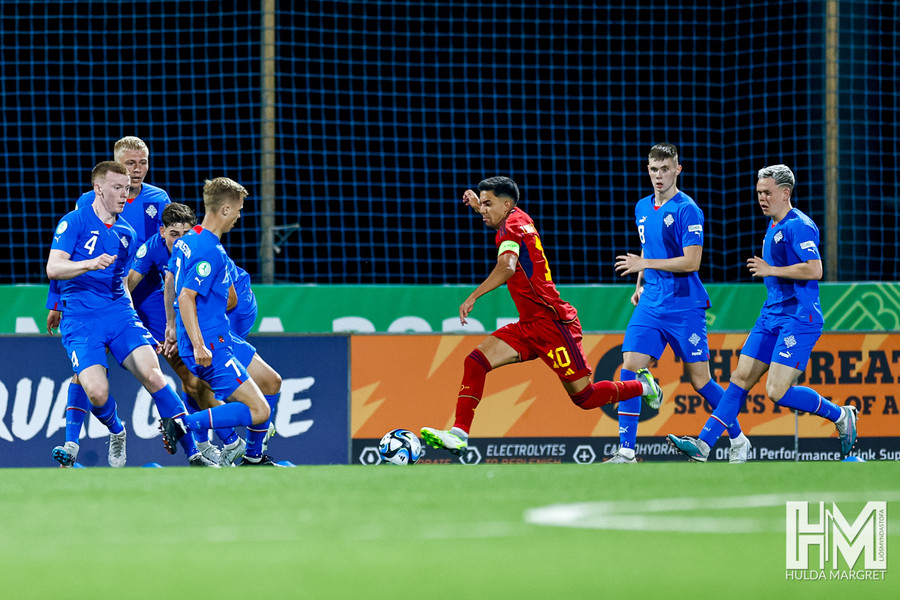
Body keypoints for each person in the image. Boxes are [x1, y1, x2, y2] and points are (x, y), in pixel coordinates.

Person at [420, 176, 662, 457]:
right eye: (482, 204)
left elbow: (507, 266)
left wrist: (474, 295)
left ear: (506, 205)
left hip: (553, 324)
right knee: (475, 361)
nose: (483, 210)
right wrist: (478, 204)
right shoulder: (517, 216)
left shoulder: (511, 226)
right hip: (529, 325)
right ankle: (459, 434)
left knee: (585, 397)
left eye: (488, 204)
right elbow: (500, 218)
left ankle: (644, 386)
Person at [667, 164, 859, 461]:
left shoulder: (798, 225)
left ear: (786, 193)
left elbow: (815, 269)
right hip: (771, 315)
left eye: (768, 192)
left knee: (776, 391)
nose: (762, 198)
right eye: (759, 192)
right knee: (740, 378)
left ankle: (841, 415)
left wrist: (772, 270)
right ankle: (703, 445)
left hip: (799, 318)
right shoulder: (773, 225)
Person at [46, 161, 206, 468]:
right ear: (98, 188)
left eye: (128, 188)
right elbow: (54, 268)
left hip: (119, 313)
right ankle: (117, 430)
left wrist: (134, 319)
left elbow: (122, 282)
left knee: (155, 376)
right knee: (96, 392)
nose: (125, 194)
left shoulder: (127, 234)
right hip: (81, 316)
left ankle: (196, 454)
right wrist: (87, 265)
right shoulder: (74, 221)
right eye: (118, 188)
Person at [610, 143, 750, 463]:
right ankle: (627, 451)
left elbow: (691, 262)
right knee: (629, 367)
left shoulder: (688, 209)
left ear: (677, 170)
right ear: (648, 170)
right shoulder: (642, 207)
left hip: (684, 306)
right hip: (651, 302)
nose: (658, 175)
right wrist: (640, 284)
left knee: (701, 381)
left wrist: (645, 265)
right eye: (653, 169)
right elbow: (647, 249)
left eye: (665, 169)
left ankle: (739, 439)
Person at [159, 177, 284, 466]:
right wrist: (198, 344)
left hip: (220, 337)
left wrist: (173, 326)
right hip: (210, 345)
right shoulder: (210, 252)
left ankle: (253, 459)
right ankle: (183, 424)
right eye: (238, 209)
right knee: (260, 411)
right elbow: (186, 297)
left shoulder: (188, 241)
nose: (239, 216)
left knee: (271, 381)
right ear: (225, 209)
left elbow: (172, 283)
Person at [128, 202, 234, 465]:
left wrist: (186, 329)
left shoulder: (204, 248)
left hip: (208, 321)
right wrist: (164, 328)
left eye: (185, 234)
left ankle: (216, 442)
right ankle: (225, 444)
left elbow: (230, 299)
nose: (179, 240)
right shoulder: (152, 248)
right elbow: (128, 285)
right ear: (162, 231)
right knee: (193, 383)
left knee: (199, 385)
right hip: (172, 321)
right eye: (173, 234)